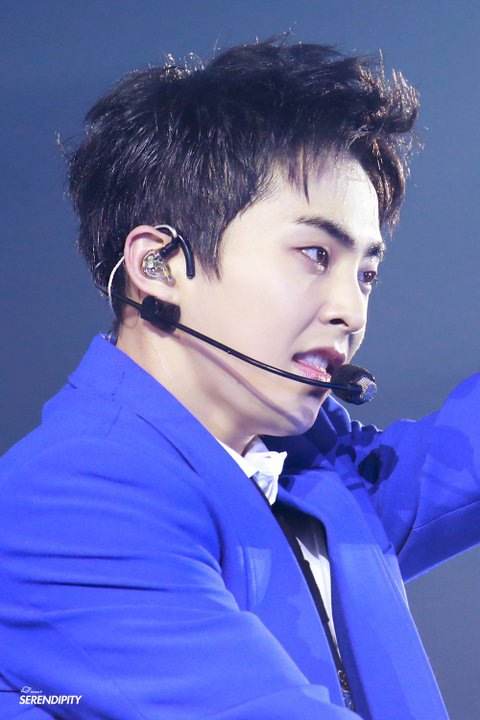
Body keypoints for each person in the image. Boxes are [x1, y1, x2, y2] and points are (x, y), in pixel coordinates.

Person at [0, 39, 478, 720]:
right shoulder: (68, 504)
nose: (352, 311)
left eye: (366, 272)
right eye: (315, 254)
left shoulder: (314, 472)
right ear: (160, 266)